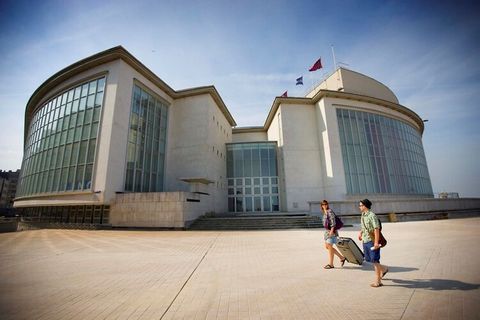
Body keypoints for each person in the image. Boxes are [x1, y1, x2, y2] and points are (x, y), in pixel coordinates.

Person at [358, 199, 388, 287]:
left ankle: (378, 281)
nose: (359, 207)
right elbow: (363, 227)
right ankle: (384, 268)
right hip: (365, 240)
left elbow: (376, 229)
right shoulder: (363, 215)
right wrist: (360, 233)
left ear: (365, 206)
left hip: (372, 241)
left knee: (375, 261)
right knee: (369, 259)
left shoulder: (372, 215)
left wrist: (376, 242)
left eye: (360, 205)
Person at [321, 200, 346, 269]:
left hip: (331, 232)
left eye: (326, 204)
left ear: (327, 205)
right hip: (327, 232)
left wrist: (331, 231)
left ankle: (331, 264)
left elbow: (333, 222)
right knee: (328, 247)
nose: (324, 205)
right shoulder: (324, 212)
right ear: (321, 206)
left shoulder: (330, 211)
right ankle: (342, 257)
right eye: (323, 204)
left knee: (329, 246)